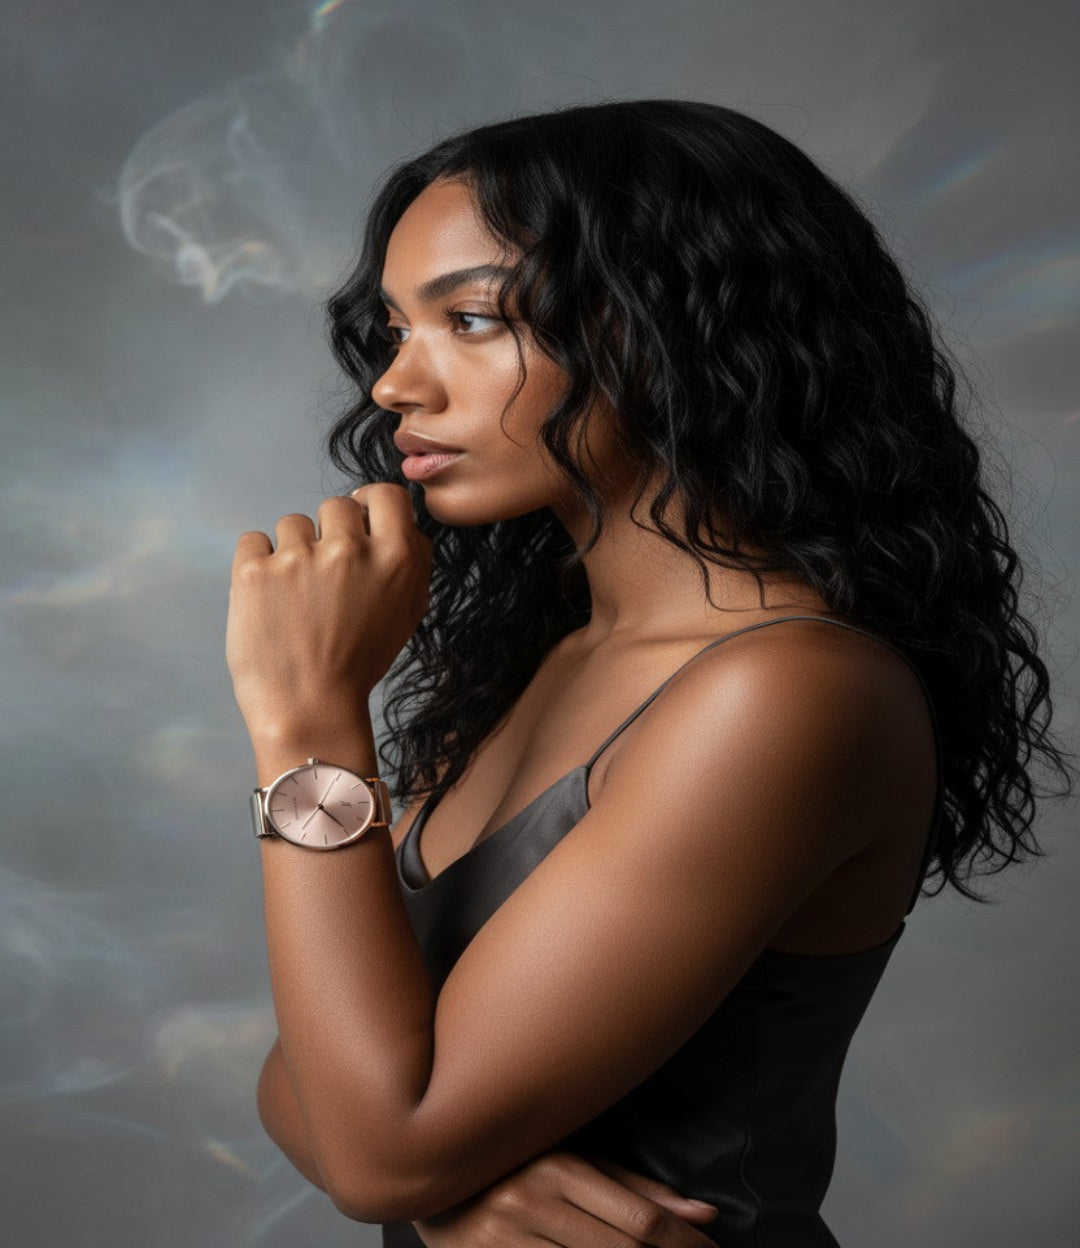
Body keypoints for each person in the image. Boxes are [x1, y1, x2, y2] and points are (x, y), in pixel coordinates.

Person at [225, 99, 1076, 1247]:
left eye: (471, 320)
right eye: (394, 328)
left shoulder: (784, 693)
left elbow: (375, 1146)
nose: (394, 387)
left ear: (666, 326)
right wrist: (453, 1186)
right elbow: (312, 1075)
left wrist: (308, 723)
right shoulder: (533, 662)